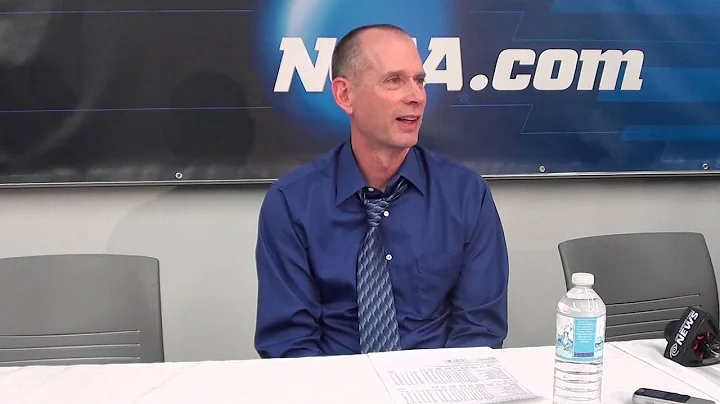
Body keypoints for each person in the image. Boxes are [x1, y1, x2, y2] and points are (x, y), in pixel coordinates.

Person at [254, 23, 509, 358]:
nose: (416, 96)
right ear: (345, 95)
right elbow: (288, 343)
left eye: (419, 81)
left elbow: (480, 329)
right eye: (394, 80)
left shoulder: (465, 195)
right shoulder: (291, 203)